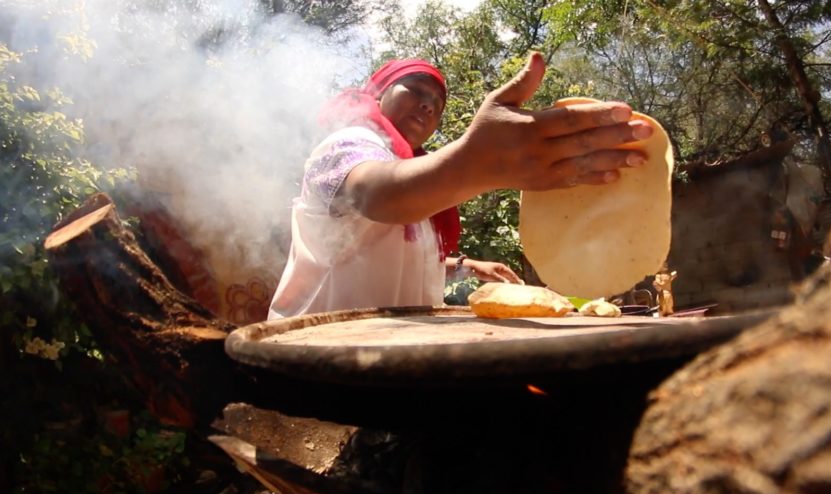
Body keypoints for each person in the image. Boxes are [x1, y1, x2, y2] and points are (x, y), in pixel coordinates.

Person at [268, 52, 654, 319]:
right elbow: (379, 195)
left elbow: (388, 253)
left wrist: (465, 266)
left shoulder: (416, 173)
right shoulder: (346, 143)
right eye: (415, 90)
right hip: (316, 350)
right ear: (378, 93)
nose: (428, 105)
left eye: (437, 102)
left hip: (384, 356)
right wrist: (477, 165)